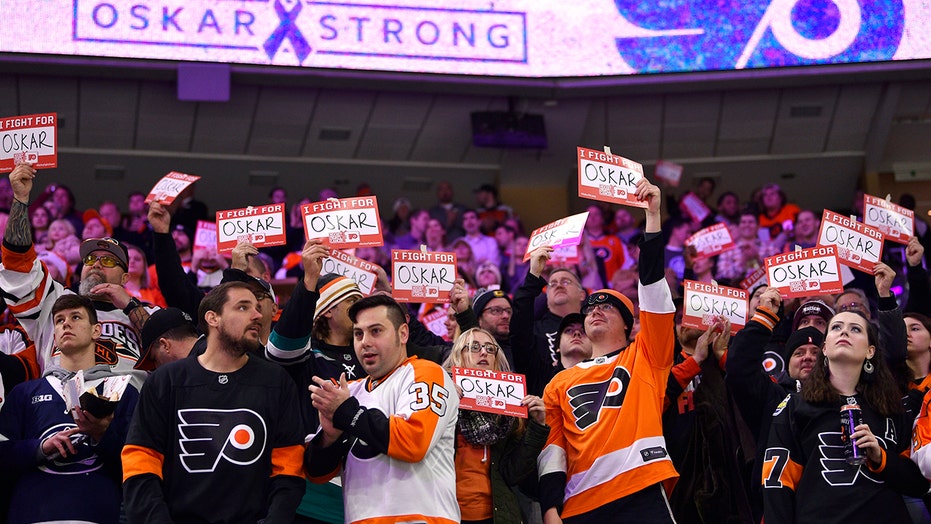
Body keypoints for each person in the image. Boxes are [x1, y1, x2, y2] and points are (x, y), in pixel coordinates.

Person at [538, 178, 678, 523]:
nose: (596, 310)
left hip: (640, 485)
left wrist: (652, 217)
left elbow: (651, 288)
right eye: (591, 308)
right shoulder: (558, 382)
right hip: (580, 502)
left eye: (608, 306)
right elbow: (553, 450)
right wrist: (550, 508)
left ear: (630, 325)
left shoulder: (646, 356)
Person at [122, 282, 306, 522]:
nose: (257, 315)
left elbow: (289, 469)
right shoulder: (165, 381)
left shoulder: (276, 381)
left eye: (258, 308)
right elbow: (140, 463)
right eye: (243, 307)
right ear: (213, 318)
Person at [306, 294, 460, 524]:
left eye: (376, 331)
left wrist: (348, 413)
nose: (365, 342)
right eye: (358, 334)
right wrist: (331, 437)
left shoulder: (426, 373)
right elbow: (316, 473)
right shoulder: (350, 391)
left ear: (403, 333)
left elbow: (413, 442)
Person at [762, 310, 928, 523]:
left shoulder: (892, 408)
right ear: (825, 347)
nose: (845, 333)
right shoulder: (796, 405)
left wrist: (880, 457)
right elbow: (777, 483)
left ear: (870, 351)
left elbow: (919, 483)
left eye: (855, 329)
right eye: (836, 327)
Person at [0, 163, 155, 382]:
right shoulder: (54, 300)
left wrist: (130, 307)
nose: (96, 264)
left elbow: (168, 347)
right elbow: (17, 263)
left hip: (127, 407)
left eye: (109, 260)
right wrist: (20, 199)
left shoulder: (145, 312)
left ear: (125, 278)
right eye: (90, 258)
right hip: (61, 404)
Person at [0, 294, 139, 524]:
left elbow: (139, 463)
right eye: (59, 320)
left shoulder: (123, 391)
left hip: (98, 514)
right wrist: (39, 448)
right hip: (32, 514)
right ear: (54, 336)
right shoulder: (25, 393)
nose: (66, 323)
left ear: (96, 331)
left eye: (76, 317)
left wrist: (103, 435)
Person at [442, 328, 549, 524]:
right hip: (447, 514)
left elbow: (513, 474)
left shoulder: (510, 409)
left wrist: (538, 426)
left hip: (497, 516)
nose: (483, 352)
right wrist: (446, 405)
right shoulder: (441, 396)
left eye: (490, 349)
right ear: (458, 355)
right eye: (474, 347)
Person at [123, 243, 167, 308]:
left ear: (144, 266)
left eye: (137, 259)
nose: (132, 261)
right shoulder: (114, 291)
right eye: (128, 259)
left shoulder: (155, 294)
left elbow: (164, 316)